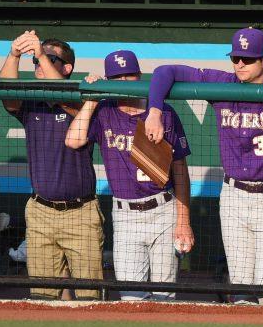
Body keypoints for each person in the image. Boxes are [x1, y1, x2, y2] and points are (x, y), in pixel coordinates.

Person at [146, 27, 263, 306]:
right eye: (236, 57)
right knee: (240, 289)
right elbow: (165, 71)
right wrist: (155, 110)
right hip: (234, 196)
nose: (240, 63)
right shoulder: (222, 83)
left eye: (248, 59)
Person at [67, 50, 193, 302]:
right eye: (117, 77)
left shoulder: (163, 112)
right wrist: (92, 99)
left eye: (129, 75)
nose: (124, 82)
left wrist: (183, 221)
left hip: (163, 210)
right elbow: (73, 140)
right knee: (130, 298)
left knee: (164, 297)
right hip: (125, 215)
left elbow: (180, 171)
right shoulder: (104, 112)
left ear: (139, 76)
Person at [0, 31, 104, 301]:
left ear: (67, 68)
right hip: (41, 212)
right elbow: (6, 94)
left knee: (88, 298)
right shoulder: (32, 100)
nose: (39, 63)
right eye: (36, 60)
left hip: (80, 213)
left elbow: (63, 95)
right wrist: (14, 54)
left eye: (49, 59)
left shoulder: (84, 96)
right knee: (42, 297)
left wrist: (39, 53)